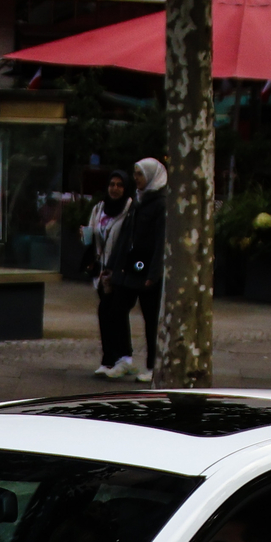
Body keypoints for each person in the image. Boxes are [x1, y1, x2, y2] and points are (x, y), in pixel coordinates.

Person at [100, 157, 167, 382]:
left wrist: (154, 273)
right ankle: (123, 359)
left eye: (140, 174)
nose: (136, 178)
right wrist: (112, 267)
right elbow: (125, 236)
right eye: (135, 174)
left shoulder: (160, 204)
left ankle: (153, 365)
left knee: (151, 319)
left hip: (147, 270)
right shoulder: (138, 201)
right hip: (130, 268)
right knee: (117, 309)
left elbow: (161, 241)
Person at [81, 173, 131, 381]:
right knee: (106, 312)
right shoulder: (99, 208)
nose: (115, 189)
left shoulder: (129, 209)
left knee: (114, 311)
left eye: (120, 185)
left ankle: (121, 357)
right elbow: (93, 234)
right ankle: (111, 358)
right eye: (112, 184)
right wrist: (86, 238)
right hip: (102, 270)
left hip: (120, 269)